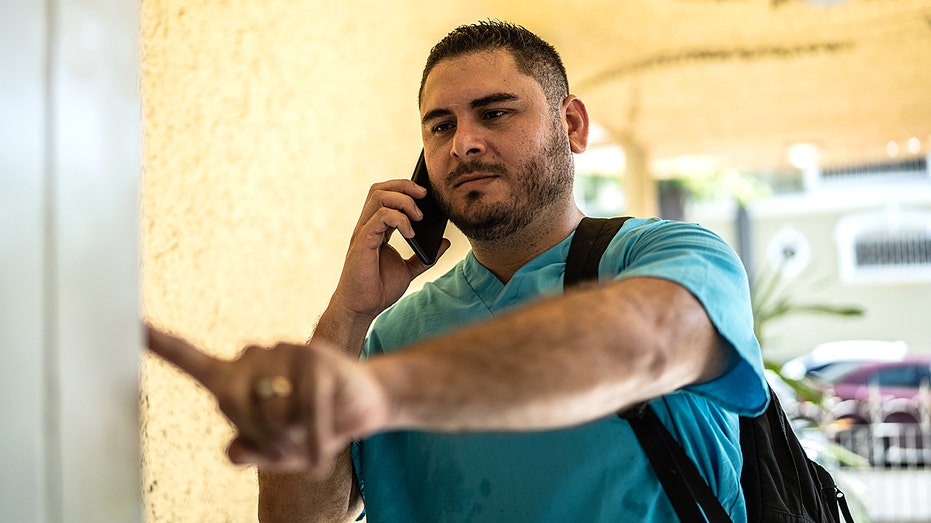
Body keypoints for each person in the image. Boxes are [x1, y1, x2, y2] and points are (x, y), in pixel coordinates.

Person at [147, 20, 769, 522]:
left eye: (494, 113)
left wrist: (381, 393)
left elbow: (643, 342)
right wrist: (350, 313)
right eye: (440, 126)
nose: (462, 144)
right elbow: (297, 519)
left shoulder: (671, 256)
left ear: (572, 125)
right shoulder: (391, 334)